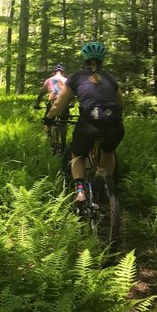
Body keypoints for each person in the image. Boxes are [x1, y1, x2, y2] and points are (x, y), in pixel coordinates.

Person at [45, 42, 124, 202]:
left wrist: (48, 118)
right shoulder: (110, 78)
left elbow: (59, 104)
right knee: (108, 152)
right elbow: (121, 104)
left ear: (84, 60)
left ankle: (80, 191)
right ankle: (104, 185)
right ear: (102, 61)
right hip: (114, 126)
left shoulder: (75, 77)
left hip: (88, 125)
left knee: (78, 155)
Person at [34, 64, 70, 151]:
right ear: (63, 73)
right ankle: (64, 142)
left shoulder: (49, 80)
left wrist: (37, 104)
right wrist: (71, 103)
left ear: (53, 73)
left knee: (47, 121)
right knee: (64, 122)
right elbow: (72, 94)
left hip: (52, 103)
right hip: (64, 104)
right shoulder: (67, 80)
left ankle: (50, 140)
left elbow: (41, 94)